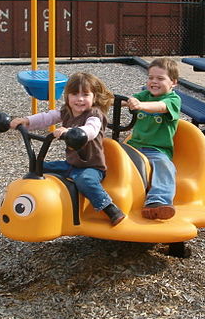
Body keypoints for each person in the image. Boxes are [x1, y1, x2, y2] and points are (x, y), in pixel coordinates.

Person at [10, 72, 125, 226]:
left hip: (91, 166)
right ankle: (39, 207)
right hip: (71, 164)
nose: (79, 99)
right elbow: (47, 117)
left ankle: (110, 208)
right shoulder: (67, 112)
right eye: (74, 94)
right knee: (39, 166)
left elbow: (91, 130)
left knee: (85, 180)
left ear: (94, 97)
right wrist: (26, 121)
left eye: (85, 94)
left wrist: (71, 132)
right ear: (67, 97)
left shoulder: (94, 114)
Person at [125, 58, 181, 220]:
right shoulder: (145, 95)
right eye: (151, 78)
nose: (154, 82)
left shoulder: (173, 100)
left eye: (160, 78)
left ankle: (158, 202)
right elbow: (129, 100)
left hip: (157, 149)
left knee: (164, 166)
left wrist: (140, 105)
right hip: (134, 146)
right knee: (110, 156)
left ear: (173, 83)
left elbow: (161, 107)